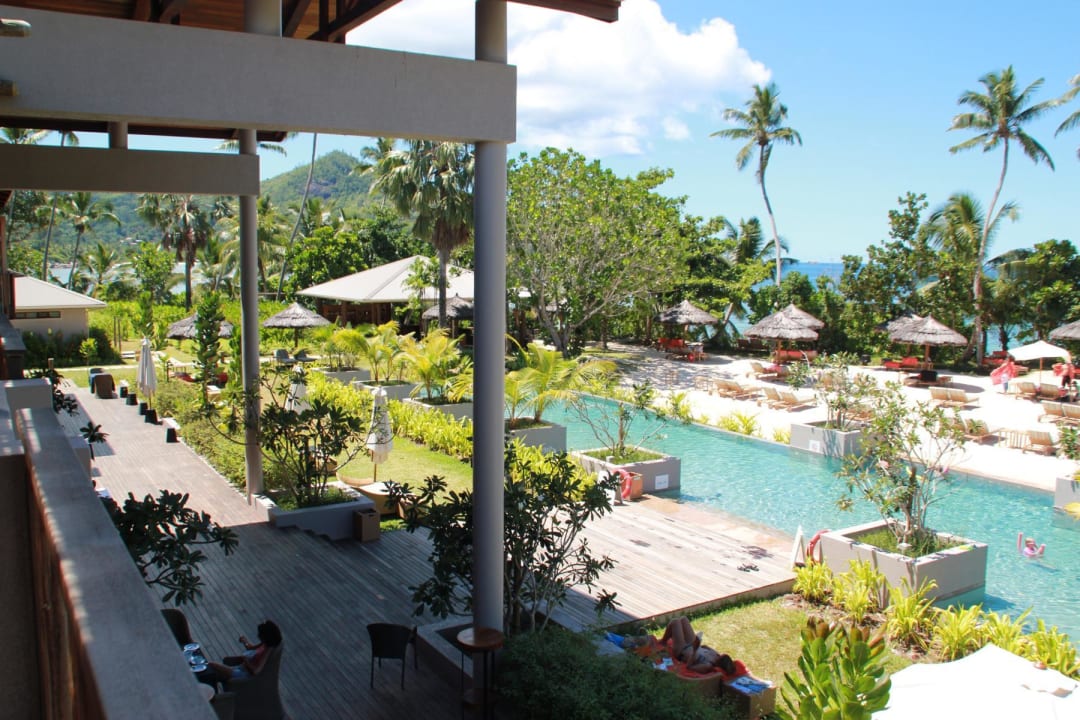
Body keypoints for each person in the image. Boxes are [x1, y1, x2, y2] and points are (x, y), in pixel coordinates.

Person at [208, 620, 282, 684]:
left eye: (260, 634)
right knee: (216, 673)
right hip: (242, 667)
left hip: (244, 674)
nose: (258, 635)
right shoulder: (265, 643)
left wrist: (245, 660)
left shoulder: (267, 651)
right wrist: (245, 642)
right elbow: (251, 648)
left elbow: (255, 672)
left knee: (212, 665)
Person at [660, 616, 727, 674]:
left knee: (675, 622)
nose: (720, 656)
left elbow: (689, 667)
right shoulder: (716, 655)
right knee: (684, 619)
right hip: (692, 645)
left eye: (721, 658)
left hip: (682, 651)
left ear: (720, 664)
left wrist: (695, 650)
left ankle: (663, 642)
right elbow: (705, 646)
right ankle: (675, 636)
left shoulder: (707, 665)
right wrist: (697, 643)